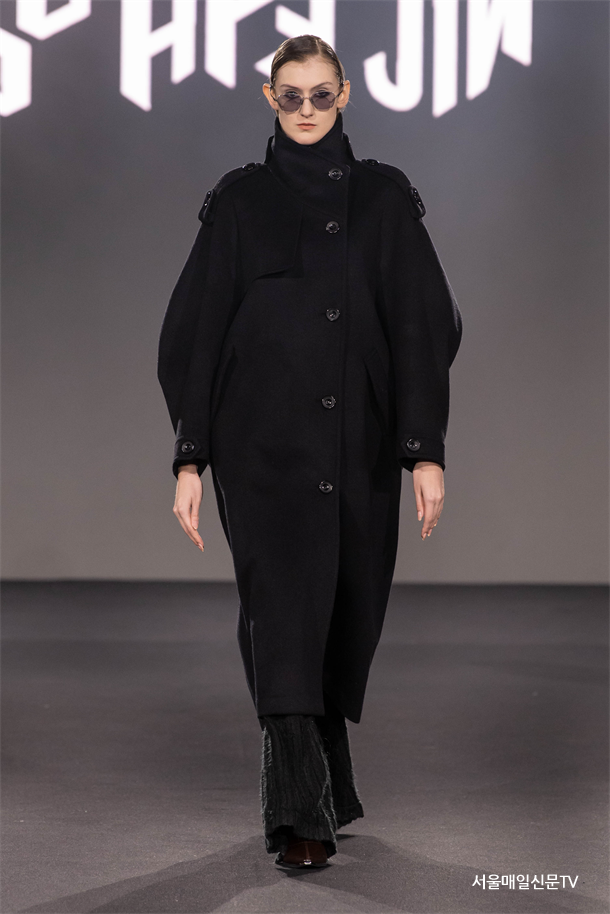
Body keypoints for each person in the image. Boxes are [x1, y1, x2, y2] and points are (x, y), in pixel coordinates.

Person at [157, 35, 463, 869]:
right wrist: (191, 457)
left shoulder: (384, 199)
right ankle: (299, 817)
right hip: (259, 448)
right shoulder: (240, 202)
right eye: (289, 95)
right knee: (282, 614)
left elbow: (423, 326)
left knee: (344, 612)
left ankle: (331, 785)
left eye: (320, 95)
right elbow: (194, 333)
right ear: (269, 98)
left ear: (345, 95)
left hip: (358, 444)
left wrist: (423, 450)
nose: (305, 110)